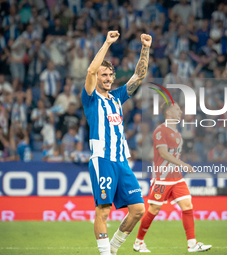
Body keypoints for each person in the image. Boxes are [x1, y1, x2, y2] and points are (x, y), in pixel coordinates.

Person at [81, 31, 151, 255]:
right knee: (102, 210)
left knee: (138, 209)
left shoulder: (117, 97)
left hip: (122, 161)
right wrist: (108, 42)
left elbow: (138, 77)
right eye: (104, 75)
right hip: (102, 159)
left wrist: (145, 48)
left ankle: (112, 248)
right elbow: (91, 70)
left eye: (110, 75)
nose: (108, 78)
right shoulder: (91, 98)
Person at [133, 102, 212, 253]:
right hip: (162, 178)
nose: (181, 111)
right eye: (177, 109)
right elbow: (163, 153)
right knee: (154, 210)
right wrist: (182, 163)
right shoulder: (160, 131)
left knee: (187, 206)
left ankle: (192, 244)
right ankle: (138, 242)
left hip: (176, 177)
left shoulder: (176, 131)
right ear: (168, 113)